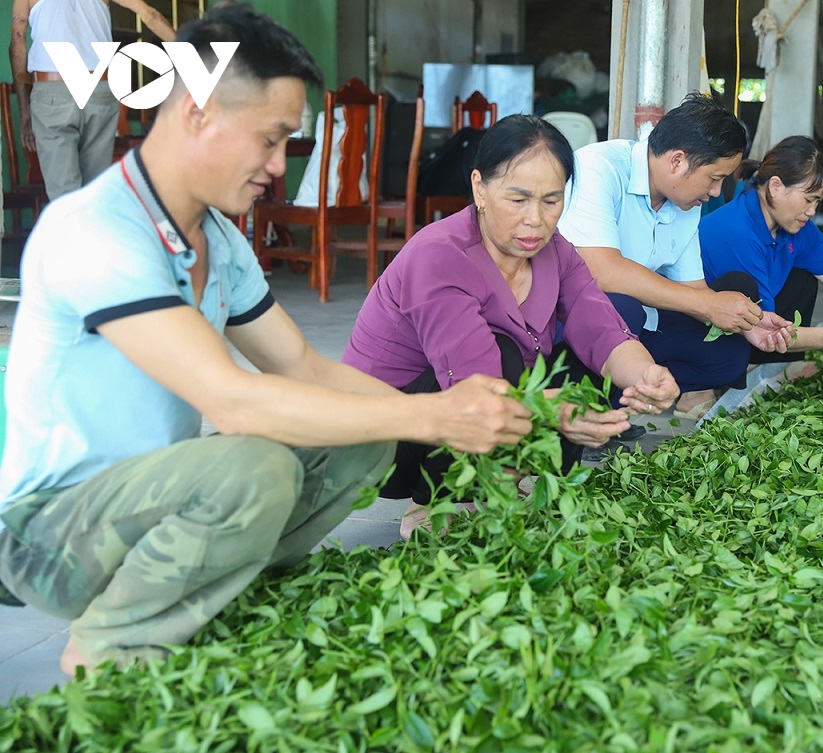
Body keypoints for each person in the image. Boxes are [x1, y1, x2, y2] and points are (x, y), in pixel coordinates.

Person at [0, 3, 533, 675]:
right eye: (271, 138)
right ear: (197, 110)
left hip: (143, 502)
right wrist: (432, 414)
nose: (280, 166)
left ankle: (234, 587)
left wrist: (471, 414)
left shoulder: (218, 238)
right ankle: (107, 646)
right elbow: (235, 404)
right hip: (45, 535)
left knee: (362, 430)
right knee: (259, 466)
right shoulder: (96, 229)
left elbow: (303, 366)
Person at [343, 114, 680, 537]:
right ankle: (438, 501)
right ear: (479, 188)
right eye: (518, 200)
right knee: (502, 352)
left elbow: (602, 329)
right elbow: (473, 382)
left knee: (580, 363)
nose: (536, 220)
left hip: (483, 413)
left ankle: (498, 481)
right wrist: (554, 412)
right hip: (388, 439)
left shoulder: (557, 252)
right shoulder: (439, 255)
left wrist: (647, 376)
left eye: (551, 200)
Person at [557, 92, 792, 422]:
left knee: (729, 355)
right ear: (677, 160)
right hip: (565, 321)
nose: (714, 193)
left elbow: (694, 289)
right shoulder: (600, 168)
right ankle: (592, 411)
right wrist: (710, 306)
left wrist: (745, 322)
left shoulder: (682, 203)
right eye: (714, 178)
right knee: (621, 307)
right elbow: (601, 271)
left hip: (633, 325)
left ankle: (629, 395)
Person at [699, 135, 823, 372]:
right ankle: (730, 372)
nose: (812, 211)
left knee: (803, 278)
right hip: (699, 334)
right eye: (809, 200)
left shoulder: (797, 227)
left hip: (759, 326)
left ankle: (771, 366)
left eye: (818, 202)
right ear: (776, 187)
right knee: (746, 289)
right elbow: (765, 327)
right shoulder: (738, 232)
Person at [9, 0, 176, 200]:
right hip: (100, 90)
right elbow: (151, 16)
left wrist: (25, 112)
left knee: (64, 197)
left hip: (53, 92)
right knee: (95, 194)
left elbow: (18, 43)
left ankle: (70, 227)